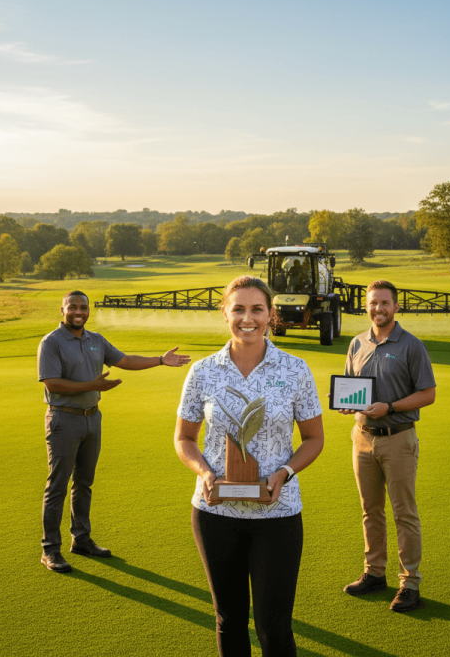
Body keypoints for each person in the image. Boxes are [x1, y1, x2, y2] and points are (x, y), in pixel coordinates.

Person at [175, 276, 324, 656]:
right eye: (238, 308)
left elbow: (314, 439)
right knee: (230, 621)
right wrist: (205, 473)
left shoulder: (295, 369)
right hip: (215, 512)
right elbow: (184, 439)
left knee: (274, 628)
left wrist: (284, 473)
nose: (248, 318)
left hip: (277, 514)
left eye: (257, 309)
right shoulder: (203, 371)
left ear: (270, 315)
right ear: (225, 313)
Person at [38, 290, 190, 573]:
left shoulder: (96, 340)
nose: (78, 312)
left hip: (92, 419)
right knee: (58, 485)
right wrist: (92, 386)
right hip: (63, 420)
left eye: (83, 307)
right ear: (62, 310)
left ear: (88, 310)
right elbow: (51, 383)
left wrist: (160, 360)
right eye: (73, 307)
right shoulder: (52, 342)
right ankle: (50, 550)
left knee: (84, 483)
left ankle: (81, 539)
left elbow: (124, 361)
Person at [339, 280, 435, 613]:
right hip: (362, 437)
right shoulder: (356, 343)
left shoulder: (411, 346)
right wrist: (346, 404)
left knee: (404, 513)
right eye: (372, 303)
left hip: (398, 438)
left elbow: (428, 394)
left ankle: (410, 584)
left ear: (396, 307)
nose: (378, 308)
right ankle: (374, 573)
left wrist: (390, 407)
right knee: (371, 511)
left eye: (384, 303)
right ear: (365, 306)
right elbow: (354, 389)